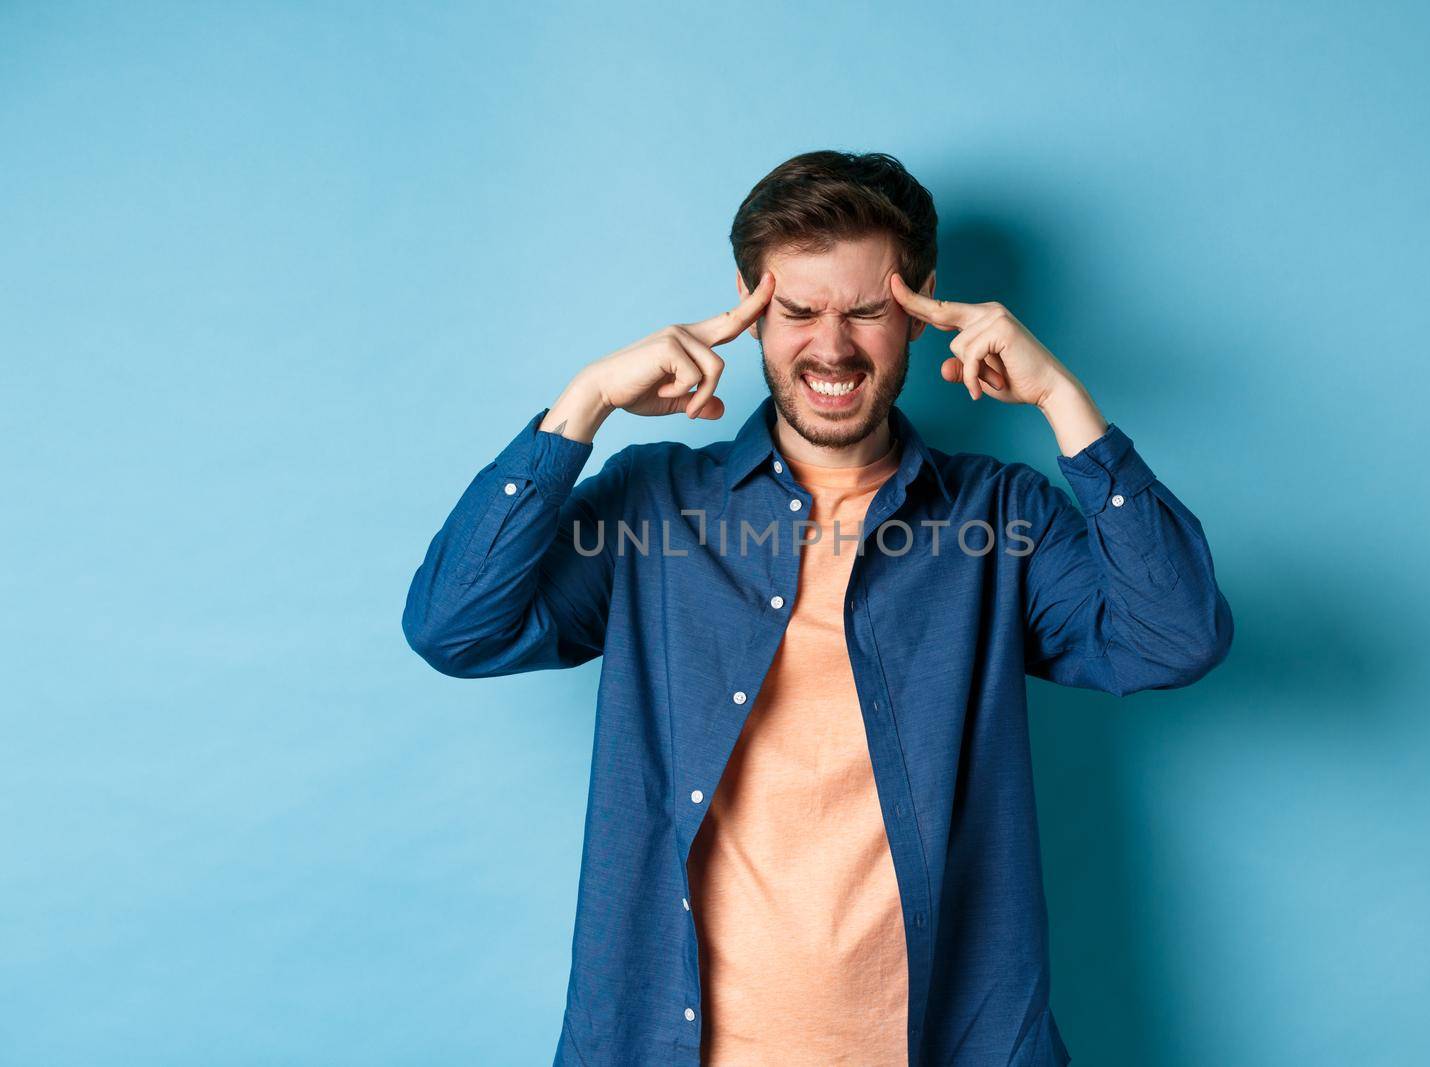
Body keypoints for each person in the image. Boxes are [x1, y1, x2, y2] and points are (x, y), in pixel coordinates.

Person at [402, 149, 1233, 1067]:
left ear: (920, 306)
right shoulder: (654, 507)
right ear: (750, 306)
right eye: (797, 310)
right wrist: (583, 405)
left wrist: (1062, 402)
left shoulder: (1000, 518)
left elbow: (1175, 637)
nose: (830, 348)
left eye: (867, 311)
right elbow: (456, 626)